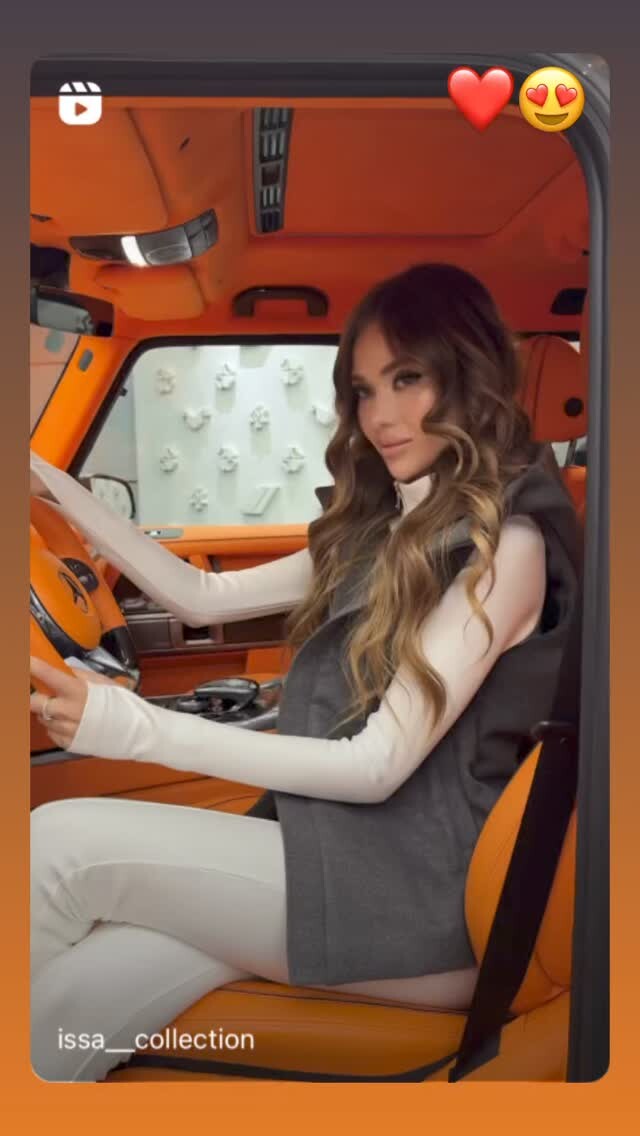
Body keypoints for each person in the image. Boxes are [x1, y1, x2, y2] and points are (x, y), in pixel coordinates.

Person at [29, 263, 580, 1082]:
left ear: (469, 376)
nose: (380, 416)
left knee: (55, 847)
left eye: (408, 378)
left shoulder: (507, 549)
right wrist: (51, 487)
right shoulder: (390, 524)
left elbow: (375, 765)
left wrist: (132, 728)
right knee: (73, 999)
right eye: (364, 389)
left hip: (425, 902)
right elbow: (203, 595)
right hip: (361, 857)